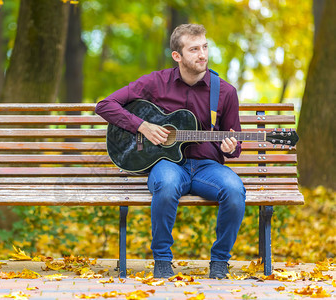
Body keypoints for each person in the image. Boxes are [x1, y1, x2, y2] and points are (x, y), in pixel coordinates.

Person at [95, 24, 246, 279]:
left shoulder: (225, 92)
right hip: (166, 163)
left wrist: (230, 147)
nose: (203, 55)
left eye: (205, 47)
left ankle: (220, 262)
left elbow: (235, 145)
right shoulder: (156, 83)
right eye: (194, 49)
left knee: (234, 190)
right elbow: (105, 105)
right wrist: (142, 125)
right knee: (166, 184)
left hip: (206, 167)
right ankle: (162, 261)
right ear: (177, 56)